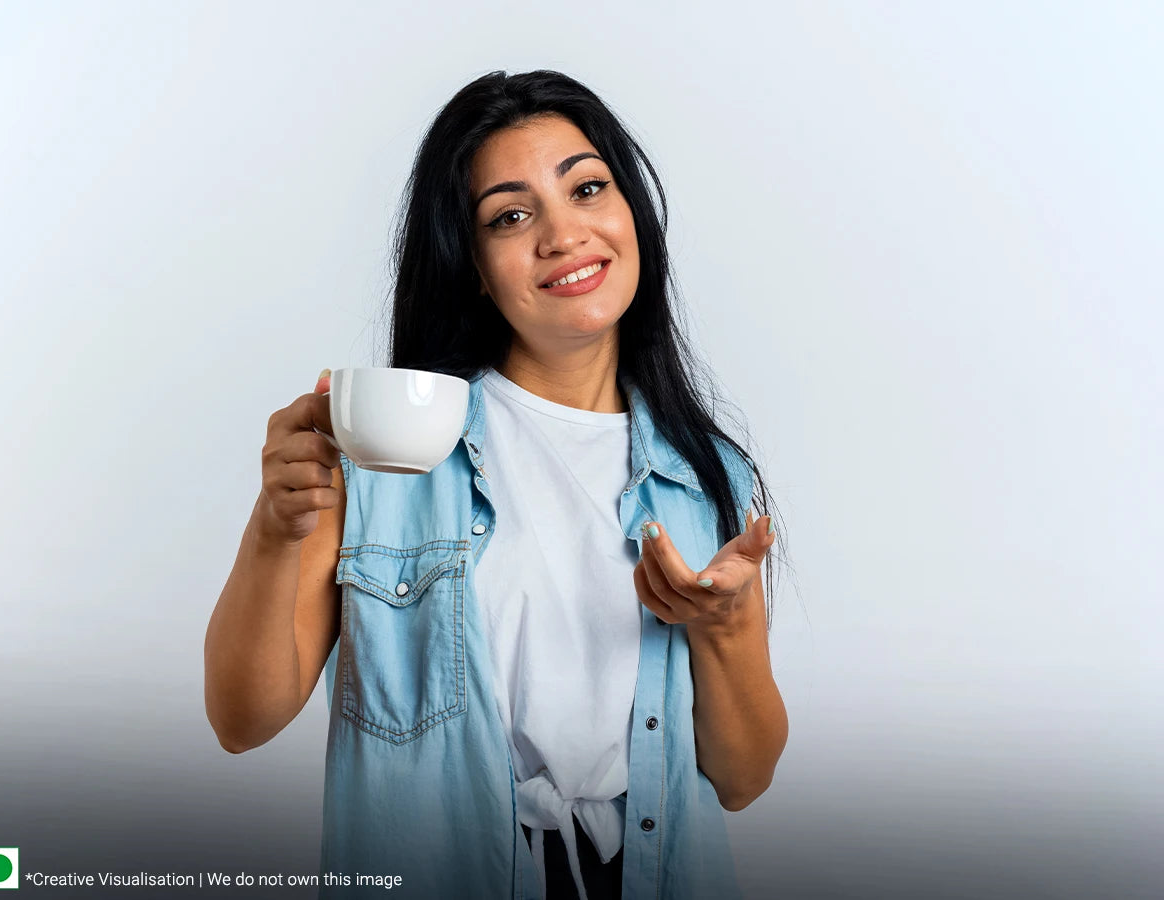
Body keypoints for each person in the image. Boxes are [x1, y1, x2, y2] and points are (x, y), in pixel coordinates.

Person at [205, 69, 789, 900]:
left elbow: (743, 778)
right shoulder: (385, 453)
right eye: (511, 215)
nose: (563, 234)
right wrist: (275, 528)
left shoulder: (704, 475)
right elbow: (241, 719)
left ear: (632, 216)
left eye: (587, 188)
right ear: (473, 264)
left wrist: (727, 625)